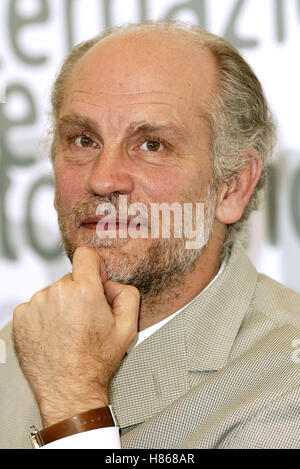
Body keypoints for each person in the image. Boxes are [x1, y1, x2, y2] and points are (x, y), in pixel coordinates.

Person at [0, 19, 300, 450]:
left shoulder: (287, 380)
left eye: (152, 144)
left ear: (232, 185)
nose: (103, 179)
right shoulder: (20, 346)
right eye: (84, 140)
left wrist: (74, 405)